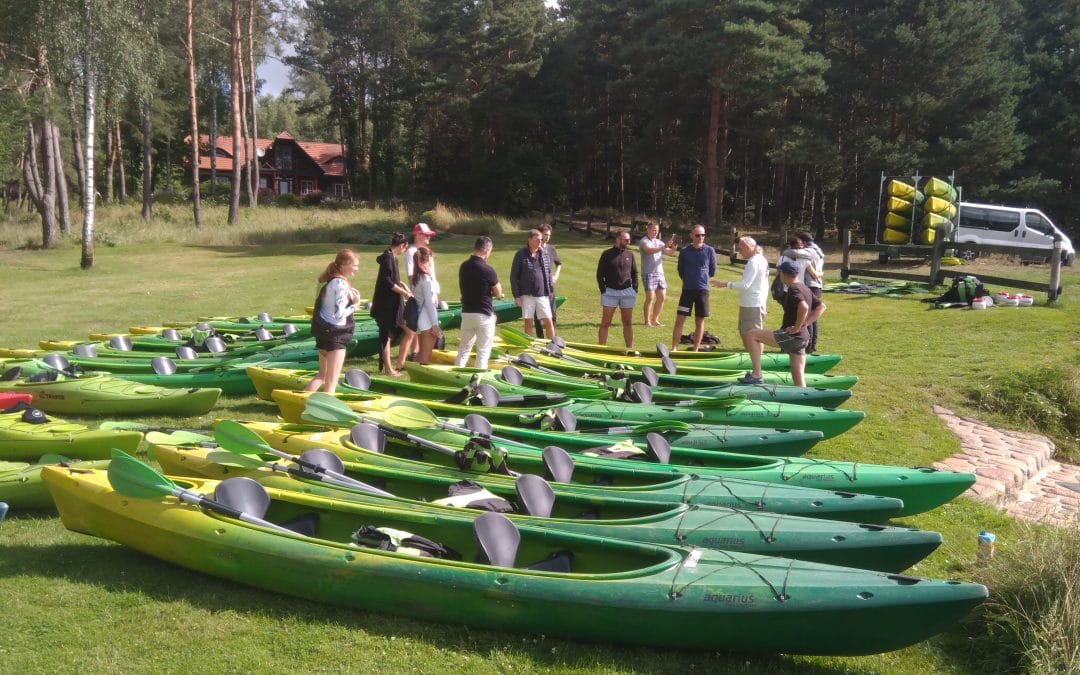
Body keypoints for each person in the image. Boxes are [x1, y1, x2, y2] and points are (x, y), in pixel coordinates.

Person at [739, 260, 826, 387]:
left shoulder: (794, 288)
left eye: (779, 272)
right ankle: (802, 395)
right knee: (798, 376)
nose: (778, 275)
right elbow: (821, 307)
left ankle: (757, 375)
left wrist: (797, 327)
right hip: (803, 338)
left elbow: (804, 307)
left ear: (784, 274)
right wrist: (805, 324)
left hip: (792, 336)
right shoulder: (804, 287)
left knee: (751, 335)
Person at [304, 249, 360, 393]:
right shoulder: (340, 284)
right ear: (344, 264)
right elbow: (339, 315)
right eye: (354, 265)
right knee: (331, 382)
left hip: (322, 333)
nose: (357, 269)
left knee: (321, 376)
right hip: (335, 335)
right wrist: (355, 304)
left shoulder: (327, 280)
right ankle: (324, 406)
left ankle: (300, 402)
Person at [713, 236, 769, 355]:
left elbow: (745, 285)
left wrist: (725, 284)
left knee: (753, 335)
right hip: (751, 303)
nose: (739, 252)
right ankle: (754, 359)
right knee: (746, 334)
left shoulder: (754, 262)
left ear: (748, 247)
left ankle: (757, 362)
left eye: (741, 249)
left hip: (753, 304)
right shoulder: (760, 259)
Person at [455, 236, 504, 369]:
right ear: (487, 250)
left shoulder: (464, 266)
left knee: (464, 349)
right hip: (483, 314)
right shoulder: (488, 270)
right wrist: (498, 294)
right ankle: (478, 378)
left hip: (467, 312)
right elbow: (498, 292)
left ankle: (456, 374)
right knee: (483, 352)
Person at [370, 232, 415, 377]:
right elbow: (388, 282)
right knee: (386, 336)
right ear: (402, 245)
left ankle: (399, 364)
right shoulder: (388, 258)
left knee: (408, 331)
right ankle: (389, 369)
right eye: (405, 248)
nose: (404, 251)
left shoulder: (392, 257)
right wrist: (405, 293)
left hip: (394, 303)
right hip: (386, 305)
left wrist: (404, 286)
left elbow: (394, 279)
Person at [671, 225, 717, 351]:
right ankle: (674, 348)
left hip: (703, 291)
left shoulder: (710, 251)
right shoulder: (685, 251)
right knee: (680, 319)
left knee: (699, 320)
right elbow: (680, 270)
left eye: (703, 235)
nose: (701, 237)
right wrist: (689, 279)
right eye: (697, 235)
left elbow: (712, 270)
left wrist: (702, 279)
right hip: (687, 291)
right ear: (691, 235)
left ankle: (696, 349)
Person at [509, 229, 555, 338]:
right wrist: (516, 296)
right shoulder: (520, 254)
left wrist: (550, 290)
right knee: (528, 322)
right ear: (529, 240)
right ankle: (529, 345)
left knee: (548, 321)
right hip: (527, 295)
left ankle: (553, 344)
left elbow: (548, 273)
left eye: (541, 240)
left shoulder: (544, 253)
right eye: (537, 240)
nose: (540, 242)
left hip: (542, 294)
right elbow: (514, 276)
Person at [596, 230, 639, 348]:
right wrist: (603, 290)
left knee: (627, 322)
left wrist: (635, 288)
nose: (629, 242)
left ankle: (630, 349)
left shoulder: (630, 254)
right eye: (626, 240)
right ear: (618, 239)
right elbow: (599, 274)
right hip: (610, 292)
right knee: (606, 322)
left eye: (629, 240)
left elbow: (634, 273)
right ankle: (602, 349)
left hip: (627, 292)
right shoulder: (606, 254)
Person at [638, 222, 677, 326]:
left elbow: (668, 252)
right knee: (650, 298)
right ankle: (647, 321)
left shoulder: (659, 242)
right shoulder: (643, 241)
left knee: (662, 297)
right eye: (654, 230)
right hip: (648, 273)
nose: (656, 232)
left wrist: (673, 248)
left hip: (660, 273)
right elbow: (650, 251)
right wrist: (664, 246)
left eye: (657, 230)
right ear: (648, 229)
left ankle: (655, 320)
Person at [410, 246, 442, 364]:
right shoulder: (426, 280)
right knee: (425, 355)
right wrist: (435, 325)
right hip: (427, 319)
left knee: (421, 353)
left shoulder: (418, 277)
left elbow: (437, 290)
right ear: (428, 259)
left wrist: (431, 275)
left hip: (422, 318)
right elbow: (429, 303)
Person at [797, 232, 825, 353]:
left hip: (810, 285)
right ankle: (812, 344)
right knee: (813, 316)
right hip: (817, 285)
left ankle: (808, 345)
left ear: (804, 242)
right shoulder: (818, 250)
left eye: (800, 242)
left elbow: (792, 253)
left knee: (807, 315)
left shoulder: (807, 251)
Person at [535, 224, 562, 338]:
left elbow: (559, 263)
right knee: (538, 317)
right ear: (540, 234)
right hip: (537, 287)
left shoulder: (551, 249)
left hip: (549, 287)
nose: (547, 237)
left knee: (552, 314)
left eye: (549, 235)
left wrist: (556, 276)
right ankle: (540, 338)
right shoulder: (534, 249)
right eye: (545, 234)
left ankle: (553, 340)